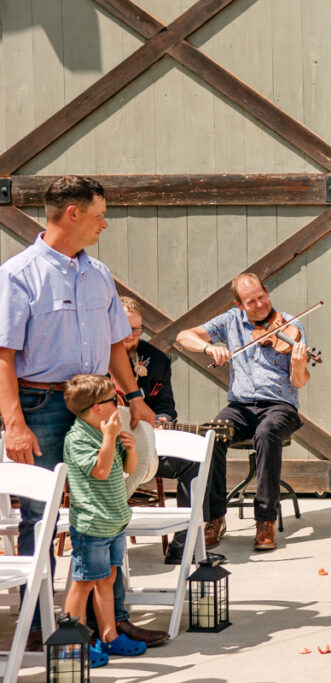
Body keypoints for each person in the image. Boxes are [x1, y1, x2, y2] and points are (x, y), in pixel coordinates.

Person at [0, 175, 156, 650]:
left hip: (97, 406)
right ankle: (38, 623)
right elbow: (2, 355)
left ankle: (113, 620)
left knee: (108, 508)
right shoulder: (17, 274)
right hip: (40, 405)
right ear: (73, 214)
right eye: (100, 215)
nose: (104, 225)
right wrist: (14, 425)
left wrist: (134, 398)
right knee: (38, 514)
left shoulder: (99, 274)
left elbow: (114, 346)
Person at [175, 273, 310, 552]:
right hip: (241, 406)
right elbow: (183, 336)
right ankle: (215, 517)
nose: (260, 304)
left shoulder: (291, 325)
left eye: (262, 296)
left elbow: (299, 381)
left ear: (267, 291)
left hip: (280, 406)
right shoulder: (230, 322)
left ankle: (265, 520)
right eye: (251, 301)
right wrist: (209, 347)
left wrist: (298, 363)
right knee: (211, 434)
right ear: (240, 304)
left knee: (267, 432)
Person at [117, 296, 224, 566]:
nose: (133, 335)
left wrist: (161, 419)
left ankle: (183, 544)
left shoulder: (157, 360)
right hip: (105, 447)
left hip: (145, 442)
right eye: (126, 328)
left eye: (138, 329)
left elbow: (166, 407)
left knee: (193, 462)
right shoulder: (93, 357)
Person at [62, 374, 147, 667]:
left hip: (113, 520)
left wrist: (131, 449)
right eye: (114, 400)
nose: (118, 404)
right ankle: (73, 646)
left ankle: (109, 636)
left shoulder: (105, 430)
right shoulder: (78, 438)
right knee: (84, 582)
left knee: (108, 578)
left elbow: (127, 468)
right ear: (97, 407)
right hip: (91, 523)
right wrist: (109, 439)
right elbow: (99, 470)